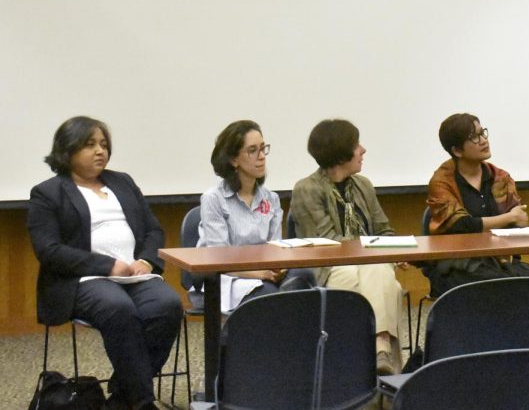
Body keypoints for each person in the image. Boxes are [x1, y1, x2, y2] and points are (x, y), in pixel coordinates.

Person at [27, 116, 183, 410]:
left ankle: (123, 396)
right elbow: (48, 250)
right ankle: (141, 401)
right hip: (83, 280)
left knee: (167, 305)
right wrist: (105, 265)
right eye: (90, 145)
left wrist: (147, 260)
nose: (100, 151)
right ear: (67, 150)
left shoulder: (122, 182)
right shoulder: (48, 193)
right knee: (118, 308)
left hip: (134, 276)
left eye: (103, 144)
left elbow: (154, 230)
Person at [290, 119, 405, 375]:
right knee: (383, 282)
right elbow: (327, 243)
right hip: (330, 266)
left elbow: (384, 230)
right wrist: (373, 251)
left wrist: (396, 252)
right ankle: (378, 357)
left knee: (378, 272)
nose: (362, 150)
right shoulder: (307, 189)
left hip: (369, 262)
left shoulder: (363, 185)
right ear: (341, 153)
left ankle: (375, 363)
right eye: (356, 145)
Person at [424, 113, 529, 298]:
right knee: (499, 290)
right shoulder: (442, 182)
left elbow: (518, 222)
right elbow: (462, 225)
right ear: (457, 150)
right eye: (475, 137)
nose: (483, 140)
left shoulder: (500, 178)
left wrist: (514, 220)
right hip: (456, 264)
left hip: (500, 260)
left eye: (483, 133)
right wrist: (508, 217)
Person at [197, 120, 315, 312]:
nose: (261, 157)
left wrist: (277, 268)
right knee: (269, 294)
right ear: (234, 159)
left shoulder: (271, 199)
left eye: (263, 149)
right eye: (252, 151)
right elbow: (220, 260)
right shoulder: (213, 199)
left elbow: (275, 247)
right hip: (230, 276)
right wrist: (257, 273)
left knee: (304, 275)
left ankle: (297, 338)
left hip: (265, 272)